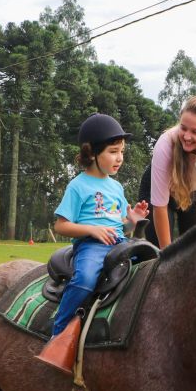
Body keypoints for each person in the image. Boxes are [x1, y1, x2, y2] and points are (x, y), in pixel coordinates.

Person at [48, 113, 149, 340]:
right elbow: (61, 226)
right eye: (113, 152)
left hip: (119, 244)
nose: (120, 158)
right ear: (92, 153)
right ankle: (58, 334)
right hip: (91, 247)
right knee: (84, 281)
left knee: (153, 266)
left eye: (122, 152)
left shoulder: (116, 187)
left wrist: (133, 219)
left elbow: (122, 229)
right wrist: (92, 229)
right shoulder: (78, 185)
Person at [138, 95, 196, 248]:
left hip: (194, 194)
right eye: (183, 128)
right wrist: (165, 258)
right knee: (158, 249)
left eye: (195, 132)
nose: (187, 136)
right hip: (160, 195)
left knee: (195, 248)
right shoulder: (165, 145)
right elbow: (160, 207)